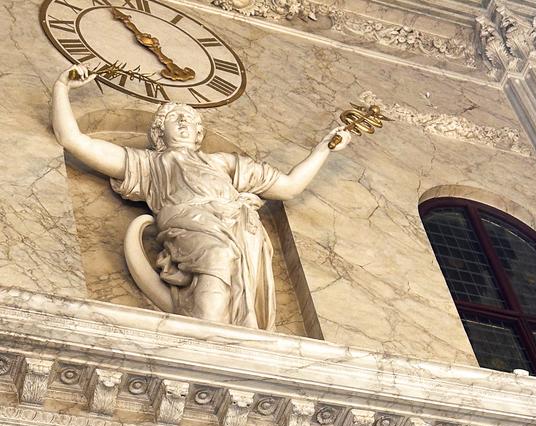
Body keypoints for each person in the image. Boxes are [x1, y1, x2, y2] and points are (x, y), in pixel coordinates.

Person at [51, 65, 352, 330]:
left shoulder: (224, 163)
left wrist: (324, 148)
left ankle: (223, 335)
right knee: (218, 256)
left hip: (238, 230)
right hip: (191, 227)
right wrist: (62, 88)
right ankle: (207, 334)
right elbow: (75, 141)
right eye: (175, 118)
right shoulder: (150, 163)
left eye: (189, 120)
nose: (183, 123)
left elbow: (288, 187)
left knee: (234, 275)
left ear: (198, 134)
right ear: (159, 133)